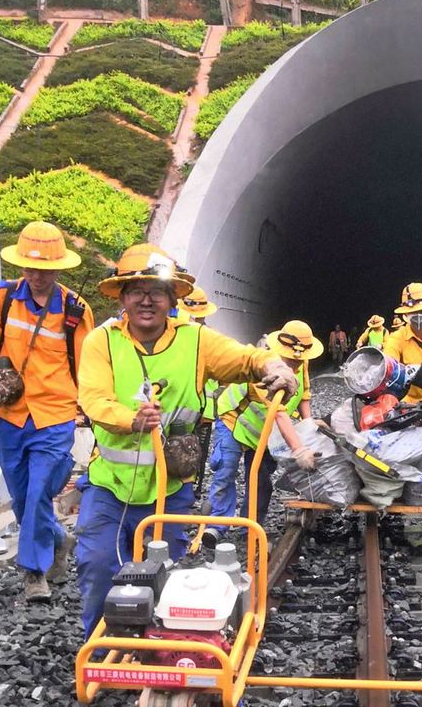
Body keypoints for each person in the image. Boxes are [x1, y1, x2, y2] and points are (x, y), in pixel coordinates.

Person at [74, 244, 297, 636]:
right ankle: (104, 646)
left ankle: (161, 650)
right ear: (123, 297)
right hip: (109, 485)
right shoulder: (101, 341)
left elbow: (246, 359)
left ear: (172, 298)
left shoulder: (196, 340)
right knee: (98, 566)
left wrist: (273, 364)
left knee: (167, 574)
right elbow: (92, 399)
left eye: (156, 291)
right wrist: (132, 419)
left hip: (171, 485)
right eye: (136, 290)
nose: (146, 299)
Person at [0, 221, 95, 602]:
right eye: (31, 269)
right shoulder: (2, 300)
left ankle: (34, 573)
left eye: (45, 270)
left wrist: (93, 410)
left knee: (36, 495)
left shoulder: (76, 310)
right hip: (9, 414)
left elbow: (90, 366)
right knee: (20, 495)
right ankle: (59, 539)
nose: (37, 276)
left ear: (59, 269)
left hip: (55, 416)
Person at [205, 320, 321, 547]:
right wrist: (299, 450)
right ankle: (216, 525)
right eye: (291, 359)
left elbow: (304, 394)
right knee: (225, 471)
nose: (295, 365)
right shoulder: (265, 369)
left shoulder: (301, 363)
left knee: (260, 480)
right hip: (235, 421)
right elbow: (278, 412)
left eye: (299, 360)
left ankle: (250, 529)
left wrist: (309, 424)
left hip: (264, 433)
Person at [177, 286, 221, 483]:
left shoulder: (209, 339)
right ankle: (187, 489)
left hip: (199, 411)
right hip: (194, 410)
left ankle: (190, 489)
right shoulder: (174, 335)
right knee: (189, 452)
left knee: (194, 453)